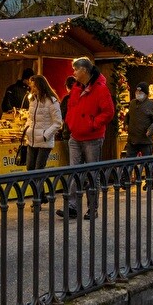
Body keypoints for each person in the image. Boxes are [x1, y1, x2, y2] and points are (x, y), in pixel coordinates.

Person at [58, 57, 115, 220]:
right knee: (74, 172)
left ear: (84, 70)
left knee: (92, 174)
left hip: (92, 137)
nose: (73, 73)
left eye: (75, 69)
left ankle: (92, 208)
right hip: (75, 136)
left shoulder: (101, 89)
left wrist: (93, 124)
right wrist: (70, 122)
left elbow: (108, 112)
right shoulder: (76, 88)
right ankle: (72, 206)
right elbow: (70, 108)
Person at [22, 75, 63, 171]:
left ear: (41, 86)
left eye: (34, 86)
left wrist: (46, 135)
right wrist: (27, 129)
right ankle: (35, 186)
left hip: (44, 141)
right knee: (30, 168)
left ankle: (39, 186)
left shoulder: (51, 101)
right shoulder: (32, 100)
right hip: (32, 140)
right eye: (32, 86)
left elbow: (57, 122)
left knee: (38, 170)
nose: (33, 89)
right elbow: (30, 117)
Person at [124, 82, 153, 158]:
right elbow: (128, 115)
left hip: (145, 141)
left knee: (147, 164)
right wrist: (126, 124)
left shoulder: (152, 105)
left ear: (146, 94)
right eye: (137, 91)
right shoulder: (132, 103)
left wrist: (150, 130)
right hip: (132, 141)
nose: (138, 93)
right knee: (128, 164)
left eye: (140, 92)